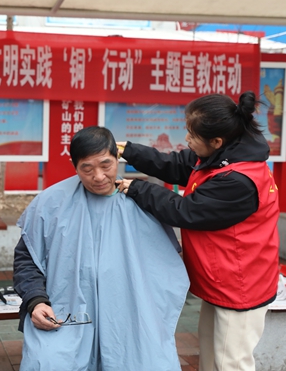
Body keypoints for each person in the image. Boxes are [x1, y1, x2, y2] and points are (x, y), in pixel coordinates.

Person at [116, 91, 280, 371]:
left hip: (240, 285)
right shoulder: (223, 154)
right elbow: (176, 165)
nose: (187, 139)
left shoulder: (238, 180)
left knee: (231, 363)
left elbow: (186, 211)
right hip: (223, 278)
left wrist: (138, 188)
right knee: (211, 357)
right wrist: (128, 150)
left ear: (216, 141)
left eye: (192, 135)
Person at [13, 126, 189, 370]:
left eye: (106, 165)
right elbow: (27, 258)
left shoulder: (144, 200)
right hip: (67, 314)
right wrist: (36, 301)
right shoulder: (51, 203)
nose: (98, 176)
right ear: (74, 166)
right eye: (87, 169)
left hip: (129, 316)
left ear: (117, 158)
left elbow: (168, 263)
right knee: (48, 361)